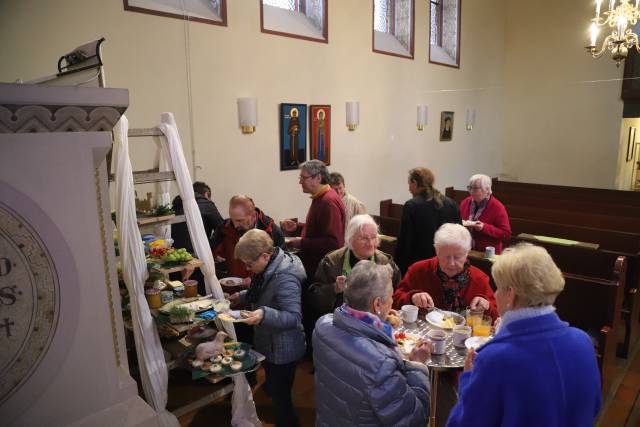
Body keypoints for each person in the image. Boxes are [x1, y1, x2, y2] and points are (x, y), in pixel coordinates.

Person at [446, 244, 602, 427]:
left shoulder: (495, 358)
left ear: (510, 295)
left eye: (498, 288)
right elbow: (593, 407)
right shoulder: (582, 341)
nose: (495, 294)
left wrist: (468, 379)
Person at [313, 261, 431, 426]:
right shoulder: (381, 364)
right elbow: (414, 419)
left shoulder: (322, 326)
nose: (392, 301)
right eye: (390, 296)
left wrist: (380, 322)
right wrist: (417, 365)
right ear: (377, 304)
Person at [229, 229, 306, 427]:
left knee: (282, 400)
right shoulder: (269, 267)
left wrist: (264, 314)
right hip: (271, 344)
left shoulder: (285, 277)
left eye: (249, 264)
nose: (247, 268)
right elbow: (263, 291)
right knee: (275, 389)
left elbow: (294, 317)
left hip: (283, 350)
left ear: (265, 255)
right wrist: (243, 296)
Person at [393, 223, 498, 320]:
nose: (451, 263)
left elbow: (496, 316)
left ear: (467, 253)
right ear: (436, 250)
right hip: (422, 335)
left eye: (457, 257)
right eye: (446, 257)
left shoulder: (479, 279)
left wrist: (486, 306)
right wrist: (412, 297)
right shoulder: (419, 270)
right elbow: (394, 301)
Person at [308, 214, 401, 318]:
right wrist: (334, 288)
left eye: (374, 237)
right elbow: (314, 299)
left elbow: (398, 293)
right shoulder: (332, 262)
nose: (370, 243)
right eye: (364, 238)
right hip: (342, 322)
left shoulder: (385, 262)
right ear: (350, 240)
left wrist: (389, 309)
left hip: (376, 324)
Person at [281, 160, 346, 278]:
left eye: (303, 178)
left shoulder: (328, 202)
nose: (300, 182)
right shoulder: (321, 197)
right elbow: (320, 229)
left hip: (323, 271)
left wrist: (301, 243)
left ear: (318, 178)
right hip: (317, 266)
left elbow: (333, 243)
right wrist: (298, 227)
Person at [395, 167, 461, 275]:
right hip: (446, 262)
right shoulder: (451, 203)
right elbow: (459, 235)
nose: (409, 189)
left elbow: (405, 241)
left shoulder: (411, 205)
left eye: (409, 184)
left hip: (420, 265)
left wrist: (399, 268)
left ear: (415, 183)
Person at [210, 194, 284, 279]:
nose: (235, 225)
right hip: (233, 285)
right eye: (232, 219)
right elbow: (211, 249)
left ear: (253, 216)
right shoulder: (223, 228)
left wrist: (255, 280)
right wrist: (216, 256)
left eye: (239, 220)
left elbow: (280, 264)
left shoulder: (272, 231)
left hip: (260, 286)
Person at [460, 174, 511, 254]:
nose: (471, 191)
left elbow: (506, 234)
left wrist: (484, 227)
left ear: (487, 189)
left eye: (476, 188)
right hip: (466, 250)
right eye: (470, 188)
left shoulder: (497, 207)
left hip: (487, 254)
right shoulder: (465, 202)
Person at [171, 181, 223, 253]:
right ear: (206, 194)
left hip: (176, 252)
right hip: (199, 253)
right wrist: (210, 247)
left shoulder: (175, 205)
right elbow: (222, 228)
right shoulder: (207, 204)